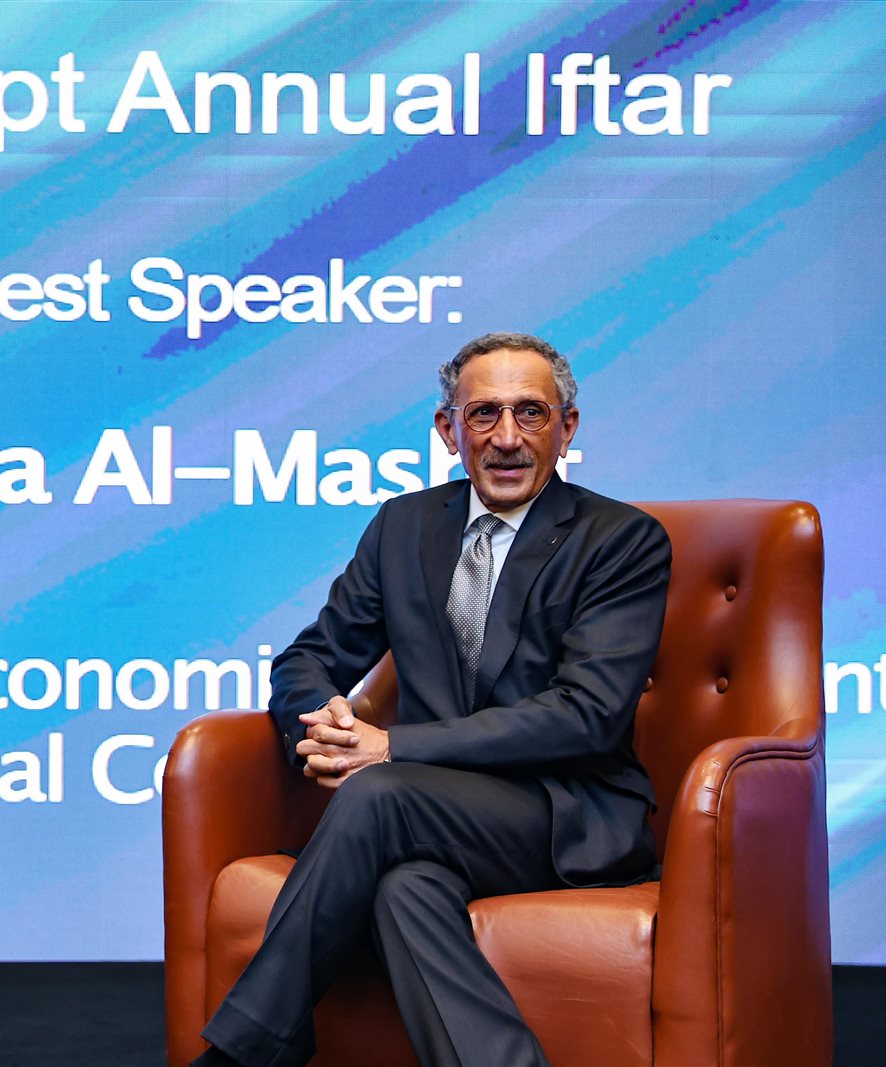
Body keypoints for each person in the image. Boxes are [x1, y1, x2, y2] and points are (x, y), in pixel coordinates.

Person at [192, 333, 671, 1067]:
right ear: (449, 430)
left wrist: (391, 747)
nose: (506, 438)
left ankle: (244, 1053)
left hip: (563, 812)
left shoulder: (621, 539)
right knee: (404, 890)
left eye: (530, 413)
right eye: (483, 414)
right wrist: (325, 722)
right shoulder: (403, 526)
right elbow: (309, 659)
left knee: (380, 795)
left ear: (567, 427)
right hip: (433, 815)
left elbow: (587, 715)